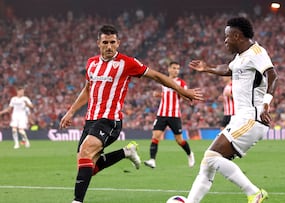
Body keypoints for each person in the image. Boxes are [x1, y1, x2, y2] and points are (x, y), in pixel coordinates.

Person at [59, 25, 203, 203]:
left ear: (118, 43)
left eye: (113, 42)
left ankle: (77, 201)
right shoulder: (91, 63)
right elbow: (88, 89)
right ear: (98, 43)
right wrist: (71, 111)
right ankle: (126, 153)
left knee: (86, 151)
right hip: (91, 120)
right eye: (105, 42)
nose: (109, 46)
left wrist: (183, 91)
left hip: (110, 120)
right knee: (88, 166)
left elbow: (157, 76)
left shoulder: (126, 63)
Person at [186, 16, 278, 203]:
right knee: (208, 164)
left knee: (211, 156)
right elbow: (228, 69)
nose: (225, 41)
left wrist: (266, 103)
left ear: (236, 35)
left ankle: (254, 192)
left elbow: (272, 74)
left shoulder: (256, 52)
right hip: (240, 119)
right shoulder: (240, 58)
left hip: (252, 118)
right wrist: (208, 68)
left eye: (227, 37)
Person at [144, 61, 195, 169]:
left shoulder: (181, 83)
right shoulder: (163, 80)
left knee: (179, 140)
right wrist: (159, 94)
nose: (176, 70)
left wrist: (183, 94)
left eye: (178, 68)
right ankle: (152, 160)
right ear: (169, 69)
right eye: (174, 68)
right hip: (161, 114)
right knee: (155, 136)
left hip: (174, 115)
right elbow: (166, 94)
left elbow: (186, 97)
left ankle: (190, 154)